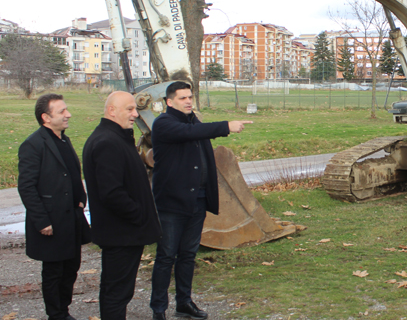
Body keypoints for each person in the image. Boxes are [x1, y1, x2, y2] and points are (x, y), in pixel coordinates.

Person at [150, 81, 252, 320]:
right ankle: (158, 309)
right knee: (166, 256)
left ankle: (184, 303)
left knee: (188, 254)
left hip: (197, 200)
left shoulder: (192, 121)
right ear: (169, 102)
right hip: (172, 203)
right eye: (182, 98)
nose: (188, 101)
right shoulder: (164, 123)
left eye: (190, 97)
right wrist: (226, 126)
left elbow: (197, 134)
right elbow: (190, 134)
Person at [83, 91, 162, 320]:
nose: (135, 114)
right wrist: (139, 215)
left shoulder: (115, 138)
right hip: (121, 234)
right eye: (129, 109)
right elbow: (112, 193)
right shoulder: (107, 142)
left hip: (124, 233)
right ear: (111, 110)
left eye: (134, 109)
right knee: (116, 293)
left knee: (119, 291)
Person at [18, 93, 90, 320]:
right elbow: (26, 187)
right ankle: (56, 315)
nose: (68, 114)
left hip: (71, 218)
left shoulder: (64, 140)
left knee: (71, 269)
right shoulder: (33, 144)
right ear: (46, 117)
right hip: (51, 221)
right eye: (62, 111)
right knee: (54, 272)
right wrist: (42, 221)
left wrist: (81, 199)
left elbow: (71, 173)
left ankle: (63, 311)